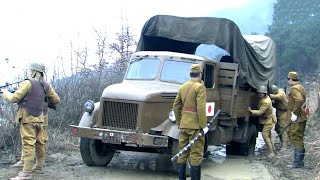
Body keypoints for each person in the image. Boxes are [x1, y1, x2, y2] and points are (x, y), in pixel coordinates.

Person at [0, 62, 60, 179]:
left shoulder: (28, 83)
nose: (30, 72)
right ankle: (39, 167)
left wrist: (5, 93)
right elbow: (56, 100)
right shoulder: (46, 85)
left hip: (28, 117)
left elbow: (14, 98)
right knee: (40, 142)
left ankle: (26, 172)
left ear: (35, 71)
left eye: (31, 70)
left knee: (28, 143)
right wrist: (42, 101)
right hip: (41, 118)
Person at [173, 64, 207, 180]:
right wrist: (203, 125)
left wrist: (179, 122)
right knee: (196, 154)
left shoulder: (183, 87)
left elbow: (176, 106)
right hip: (195, 127)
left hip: (184, 125)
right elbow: (201, 108)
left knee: (182, 153)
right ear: (200, 74)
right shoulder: (200, 87)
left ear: (190, 74)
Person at [248, 85, 276, 159]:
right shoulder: (263, 98)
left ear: (265, 93)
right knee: (269, 136)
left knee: (265, 135)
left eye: (261, 93)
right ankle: (273, 152)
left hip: (268, 120)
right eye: (259, 93)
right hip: (266, 118)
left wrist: (251, 111)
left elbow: (260, 112)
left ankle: (271, 153)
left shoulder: (266, 101)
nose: (259, 94)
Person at [286, 71, 307, 168]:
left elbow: (299, 100)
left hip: (297, 117)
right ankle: (300, 162)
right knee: (299, 137)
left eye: (288, 79)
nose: (288, 81)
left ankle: (297, 163)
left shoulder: (294, 89)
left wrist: (294, 113)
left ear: (290, 79)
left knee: (296, 137)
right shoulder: (301, 87)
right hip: (301, 116)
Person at [269, 85, 289, 151]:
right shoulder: (278, 93)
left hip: (284, 113)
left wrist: (268, 95)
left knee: (283, 129)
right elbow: (275, 105)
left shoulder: (281, 93)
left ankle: (284, 146)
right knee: (278, 129)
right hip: (279, 112)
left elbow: (278, 97)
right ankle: (282, 143)